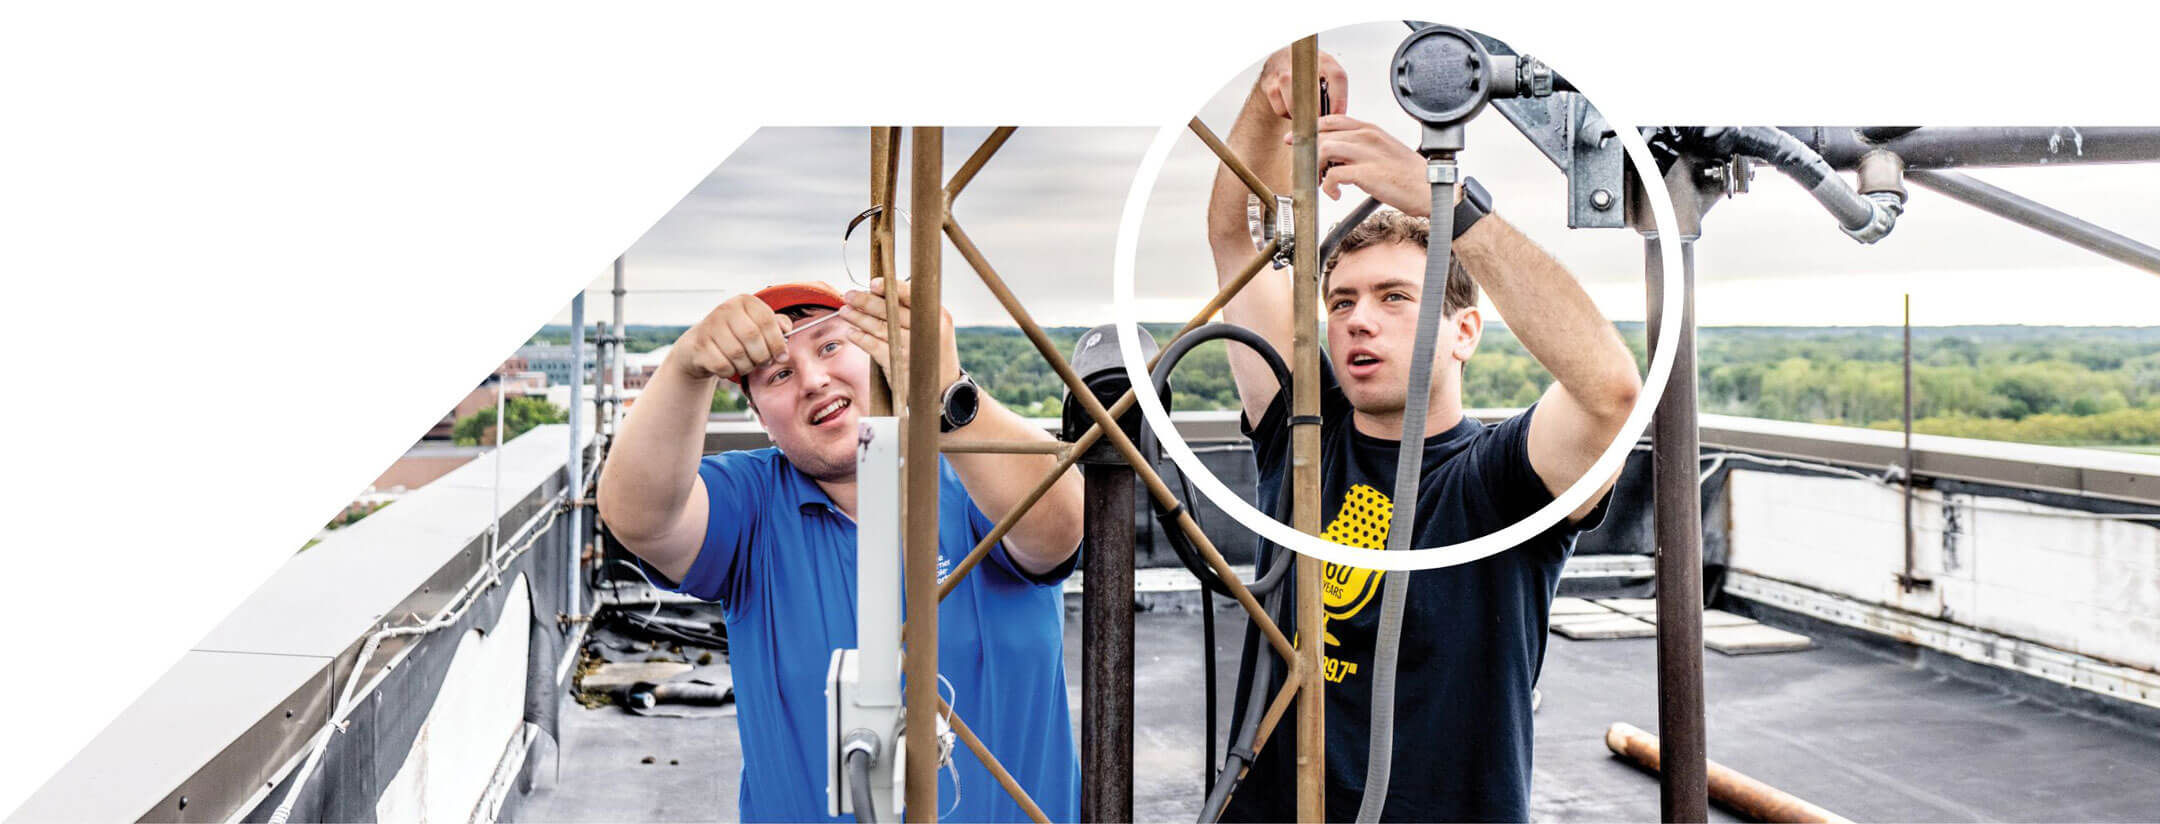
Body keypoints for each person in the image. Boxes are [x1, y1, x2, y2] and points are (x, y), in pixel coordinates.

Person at [1207, 48, 1642, 822]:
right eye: (1340, 302)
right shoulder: (1304, 430)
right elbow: (1238, 239)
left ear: (1464, 331)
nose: (1359, 319)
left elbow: (1610, 395)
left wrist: (1450, 208)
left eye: (1395, 296)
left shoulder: (1499, 477)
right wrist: (1271, 97)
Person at [596, 278, 1085, 823]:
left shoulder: (974, 471)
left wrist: (944, 392)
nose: (812, 379)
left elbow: (1057, 528)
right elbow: (638, 516)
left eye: (830, 345)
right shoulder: (751, 503)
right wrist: (686, 368)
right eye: (778, 374)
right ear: (762, 420)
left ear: (881, 358)